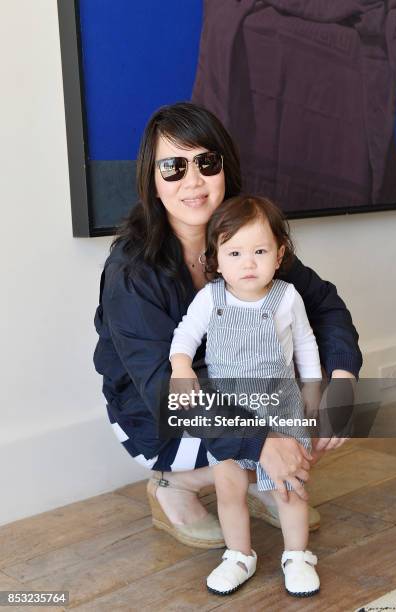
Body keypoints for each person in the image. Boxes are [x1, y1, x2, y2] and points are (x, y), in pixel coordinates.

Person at [93, 101, 362, 551]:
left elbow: (325, 307)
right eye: (173, 167)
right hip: (156, 409)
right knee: (268, 438)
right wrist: (261, 442)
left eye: (206, 162)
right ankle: (173, 484)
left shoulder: (249, 238)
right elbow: (163, 389)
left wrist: (343, 377)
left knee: (332, 405)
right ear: (152, 181)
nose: (193, 181)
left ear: (226, 168)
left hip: (237, 390)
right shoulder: (131, 271)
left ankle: (258, 475)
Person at [169, 195, 322, 596]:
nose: (248, 263)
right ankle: (239, 554)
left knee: (288, 485)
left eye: (259, 251)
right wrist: (182, 366)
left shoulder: (287, 297)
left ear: (279, 254)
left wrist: (313, 389)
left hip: (280, 406)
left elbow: (305, 343)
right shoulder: (210, 298)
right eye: (235, 252)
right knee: (230, 487)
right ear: (216, 259)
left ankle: (297, 554)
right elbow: (184, 334)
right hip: (231, 411)